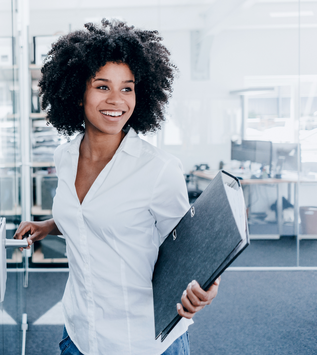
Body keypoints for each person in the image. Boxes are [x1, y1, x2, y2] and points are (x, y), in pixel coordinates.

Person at [13, 20, 220, 355]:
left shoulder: (158, 169)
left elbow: (191, 249)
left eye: (127, 88)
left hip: (143, 339)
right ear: (77, 92)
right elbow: (91, 216)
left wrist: (209, 287)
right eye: (102, 86)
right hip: (81, 331)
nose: (117, 100)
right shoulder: (64, 156)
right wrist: (50, 226)